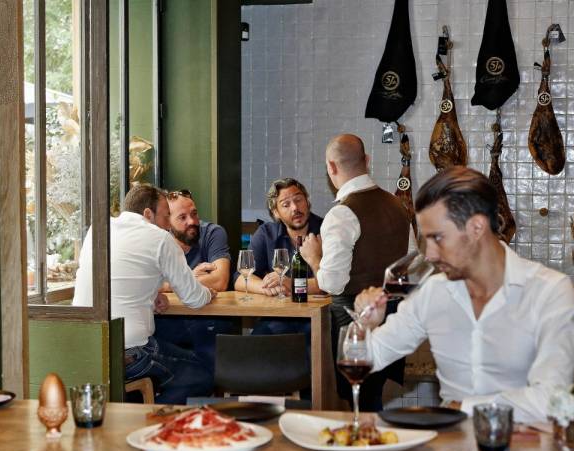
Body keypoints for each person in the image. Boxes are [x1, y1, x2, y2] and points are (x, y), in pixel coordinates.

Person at [354, 167, 574, 423]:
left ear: (476, 227)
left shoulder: (549, 291)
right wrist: (364, 325)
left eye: (437, 238)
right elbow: (367, 359)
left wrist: (463, 407)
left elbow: (553, 400)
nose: (430, 255)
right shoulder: (433, 292)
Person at [300, 133, 414, 411]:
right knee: (372, 401)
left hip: (352, 321)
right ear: (367, 160)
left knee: (356, 402)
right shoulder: (398, 205)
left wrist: (314, 258)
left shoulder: (341, 214)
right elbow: (411, 264)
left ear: (331, 167)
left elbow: (332, 283)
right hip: (394, 318)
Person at [73, 184, 215, 404]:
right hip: (130, 351)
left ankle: (133, 408)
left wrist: (152, 292)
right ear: (148, 213)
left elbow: (122, 274)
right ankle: (144, 418)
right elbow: (194, 298)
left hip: (86, 346)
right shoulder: (160, 238)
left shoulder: (98, 228)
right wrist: (210, 293)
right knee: (204, 374)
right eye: (166, 216)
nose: (168, 224)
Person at [153, 189, 237, 376]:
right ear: (167, 223)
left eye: (194, 213)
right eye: (182, 217)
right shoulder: (158, 241)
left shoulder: (213, 233)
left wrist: (169, 284)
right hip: (167, 322)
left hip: (209, 319)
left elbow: (220, 280)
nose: (191, 221)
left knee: (206, 355)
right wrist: (191, 277)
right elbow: (149, 284)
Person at [234, 178, 323, 337]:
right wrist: (267, 286)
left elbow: (331, 284)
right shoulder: (266, 233)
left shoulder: (326, 230)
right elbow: (241, 278)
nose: (295, 208)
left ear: (307, 201)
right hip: (279, 316)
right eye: (286, 204)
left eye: (298, 200)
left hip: (317, 316)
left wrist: (289, 283)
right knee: (254, 346)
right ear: (276, 213)